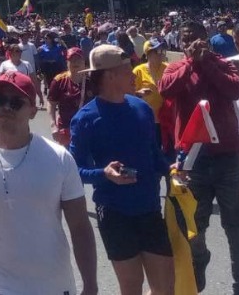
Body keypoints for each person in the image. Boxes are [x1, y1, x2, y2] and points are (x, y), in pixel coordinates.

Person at [0, 72, 97, 295]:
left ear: (32, 110)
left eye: (16, 102)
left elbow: (79, 226)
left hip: (55, 287)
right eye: (0, 100)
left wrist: (91, 284)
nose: (7, 107)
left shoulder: (59, 158)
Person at [69, 46, 172, 295]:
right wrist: (103, 174)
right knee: (131, 286)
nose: (134, 73)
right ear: (109, 75)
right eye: (127, 69)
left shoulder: (142, 108)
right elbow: (73, 170)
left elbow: (154, 156)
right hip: (115, 213)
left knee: (166, 287)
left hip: (149, 210)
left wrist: (173, 171)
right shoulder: (85, 118)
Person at [158, 20, 239, 295]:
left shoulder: (222, 63)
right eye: (186, 40)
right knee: (193, 225)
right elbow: (166, 90)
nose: (191, 43)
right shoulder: (176, 67)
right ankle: (199, 261)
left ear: (206, 39)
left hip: (228, 156)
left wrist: (206, 62)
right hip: (192, 159)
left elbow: (235, 90)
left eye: (196, 38)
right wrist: (190, 64)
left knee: (236, 226)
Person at [47, 48, 92, 147]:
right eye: (72, 60)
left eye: (78, 59)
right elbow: (51, 103)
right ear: (67, 62)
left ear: (84, 61)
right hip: (67, 128)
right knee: (68, 158)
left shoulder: (92, 80)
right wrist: (53, 125)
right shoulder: (59, 80)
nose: (75, 62)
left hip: (88, 129)